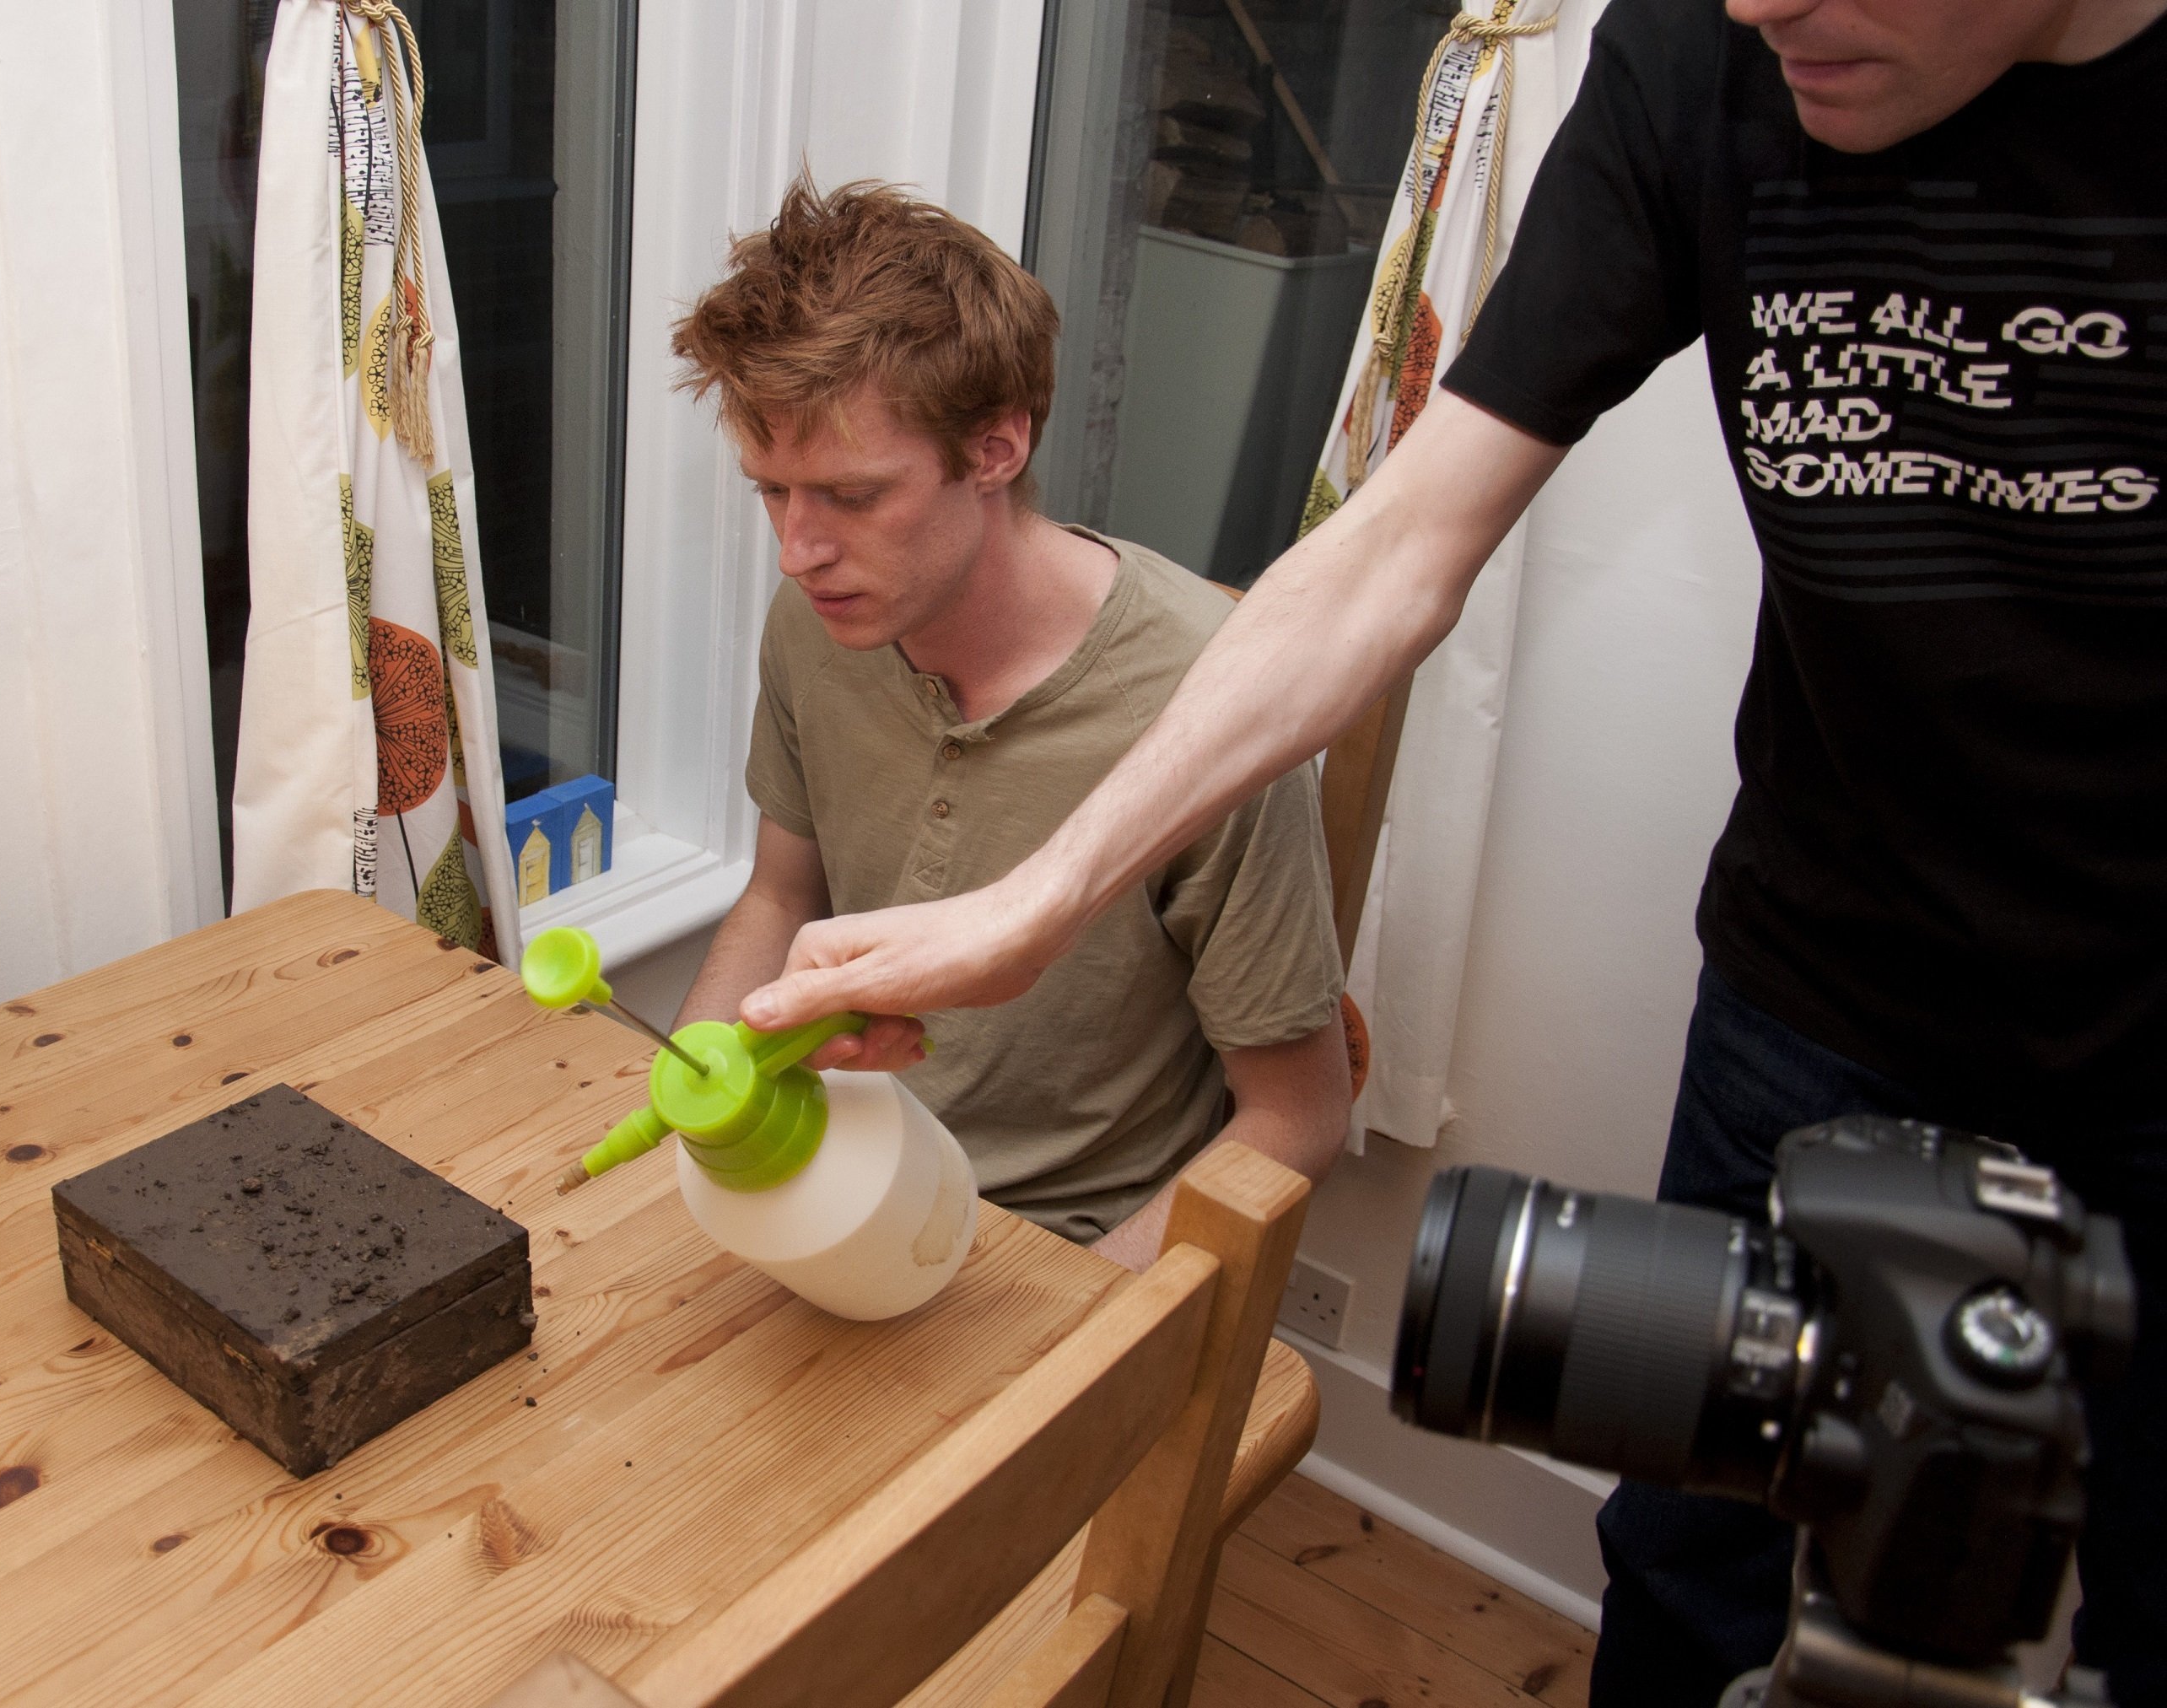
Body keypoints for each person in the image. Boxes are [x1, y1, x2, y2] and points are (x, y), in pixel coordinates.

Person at [731, 1, 2167, 1701]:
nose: (1763, 5)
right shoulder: (1708, 63)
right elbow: (1407, 534)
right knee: (1695, 1531)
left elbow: (1287, 1114)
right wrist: (1038, 904)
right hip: (1814, 981)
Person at [664, 180, 1352, 1268]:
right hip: (834, 1181)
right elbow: (782, 896)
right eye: (771, 492)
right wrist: (693, 1102)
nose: (797, 552)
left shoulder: (1213, 708)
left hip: (1065, 1254)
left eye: (850, 496)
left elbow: (1298, 1117)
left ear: (995, 450)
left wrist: (1082, 1328)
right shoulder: (819, 623)